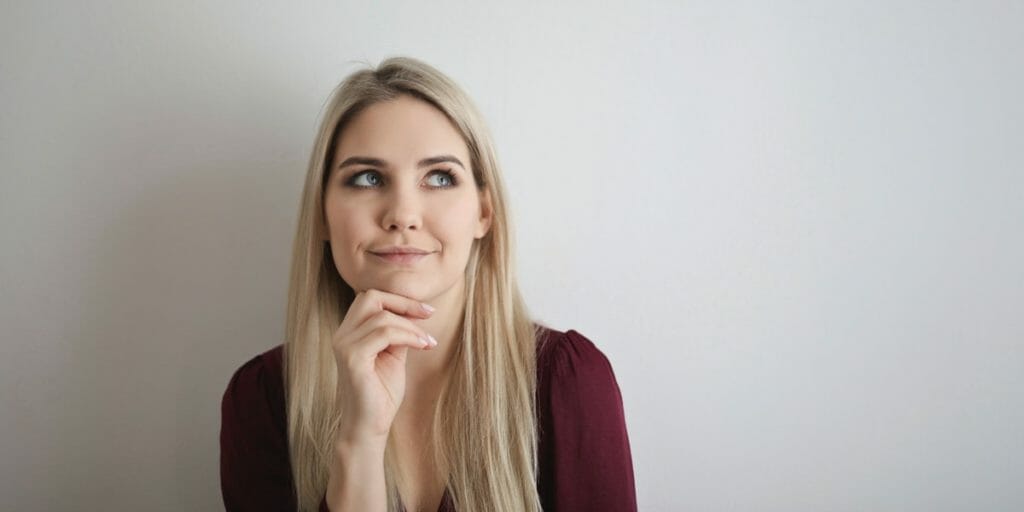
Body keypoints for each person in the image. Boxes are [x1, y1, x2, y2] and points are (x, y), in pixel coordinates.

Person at [219, 56, 637, 512]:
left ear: (483, 212)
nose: (402, 214)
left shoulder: (567, 381)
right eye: (367, 178)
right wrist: (358, 444)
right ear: (322, 213)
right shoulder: (262, 399)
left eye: (439, 177)